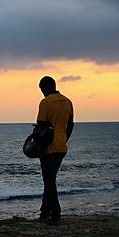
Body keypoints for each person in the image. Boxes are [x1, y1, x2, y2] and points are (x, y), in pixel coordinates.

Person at [36, 75, 74, 225]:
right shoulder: (67, 101)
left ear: (44, 88)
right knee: (50, 180)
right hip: (61, 146)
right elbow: (70, 125)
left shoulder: (45, 102)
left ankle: (55, 212)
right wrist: (64, 139)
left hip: (48, 148)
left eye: (41, 90)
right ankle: (44, 211)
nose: (42, 93)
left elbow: (41, 126)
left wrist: (39, 145)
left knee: (49, 181)